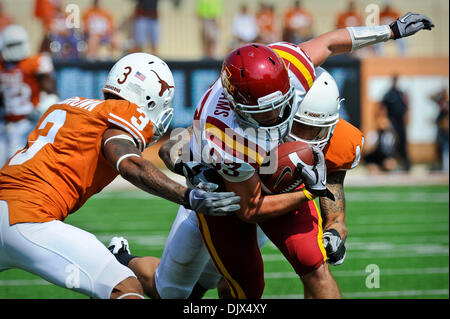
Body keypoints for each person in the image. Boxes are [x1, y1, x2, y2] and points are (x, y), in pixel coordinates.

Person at [109, 12, 434, 299]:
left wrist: (390, 30)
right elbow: (249, 209)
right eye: (267, 111)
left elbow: (334, 42)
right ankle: (122, 261)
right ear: (240, 108)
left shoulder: (295, 73)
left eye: (286, 105)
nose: (281, 116)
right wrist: (308, 190)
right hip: (226, 202)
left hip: (276, 192)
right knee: (190, 291)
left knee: (314, 265)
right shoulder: (221, 136)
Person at [0, 52, 241, 299]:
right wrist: (188, 196)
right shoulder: (121, 111)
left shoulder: (70, 105)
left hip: (6, 208)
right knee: (125, 289)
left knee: (160, 288)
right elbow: (129, 164)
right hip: (29, 217)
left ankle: (121, 259)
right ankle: (119, 262)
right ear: (149, 97)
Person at [0, 24, 59, 168]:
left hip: (26, 123)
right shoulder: (2, 66)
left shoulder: (33, 63)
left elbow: (52, 92)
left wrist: (40, 110)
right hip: (5, 123)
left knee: (16, 166)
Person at [380, 75, 411, 171]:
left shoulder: (401, 94)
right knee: (392, 144)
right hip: (392, 123)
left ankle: (406, 164)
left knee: (403, 143)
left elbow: (406, 108)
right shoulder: (388, 94)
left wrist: (406, 120)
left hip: (400, 123)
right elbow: (381, 108)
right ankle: (392, 164)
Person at [363, 106, 398, 173]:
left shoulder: (389, 135)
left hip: (385, 159)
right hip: (374, 159)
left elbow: (391, 151)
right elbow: (367, 151)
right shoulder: (373, 134)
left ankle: (381, 168)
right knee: (372, 168)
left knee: (390, 165)